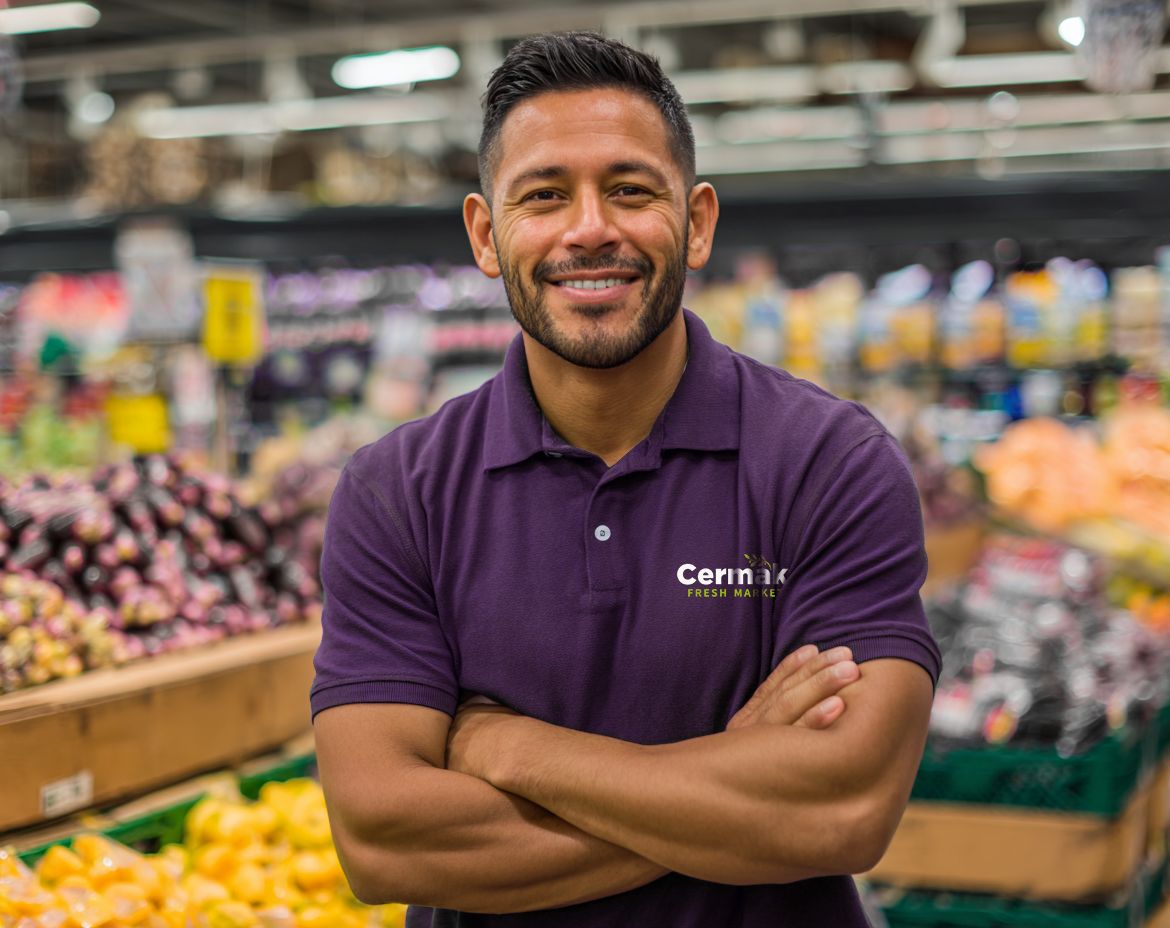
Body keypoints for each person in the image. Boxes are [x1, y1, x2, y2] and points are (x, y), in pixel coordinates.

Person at [312, 31, 939, 928]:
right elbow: (385, 841)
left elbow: (842, 808)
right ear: (487, 236)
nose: (590, 228)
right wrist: (735, 784)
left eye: (632, 190)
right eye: (544, 195)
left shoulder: (829, 463)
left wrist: (509, 746)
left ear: (698, 221)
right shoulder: (394, 493)